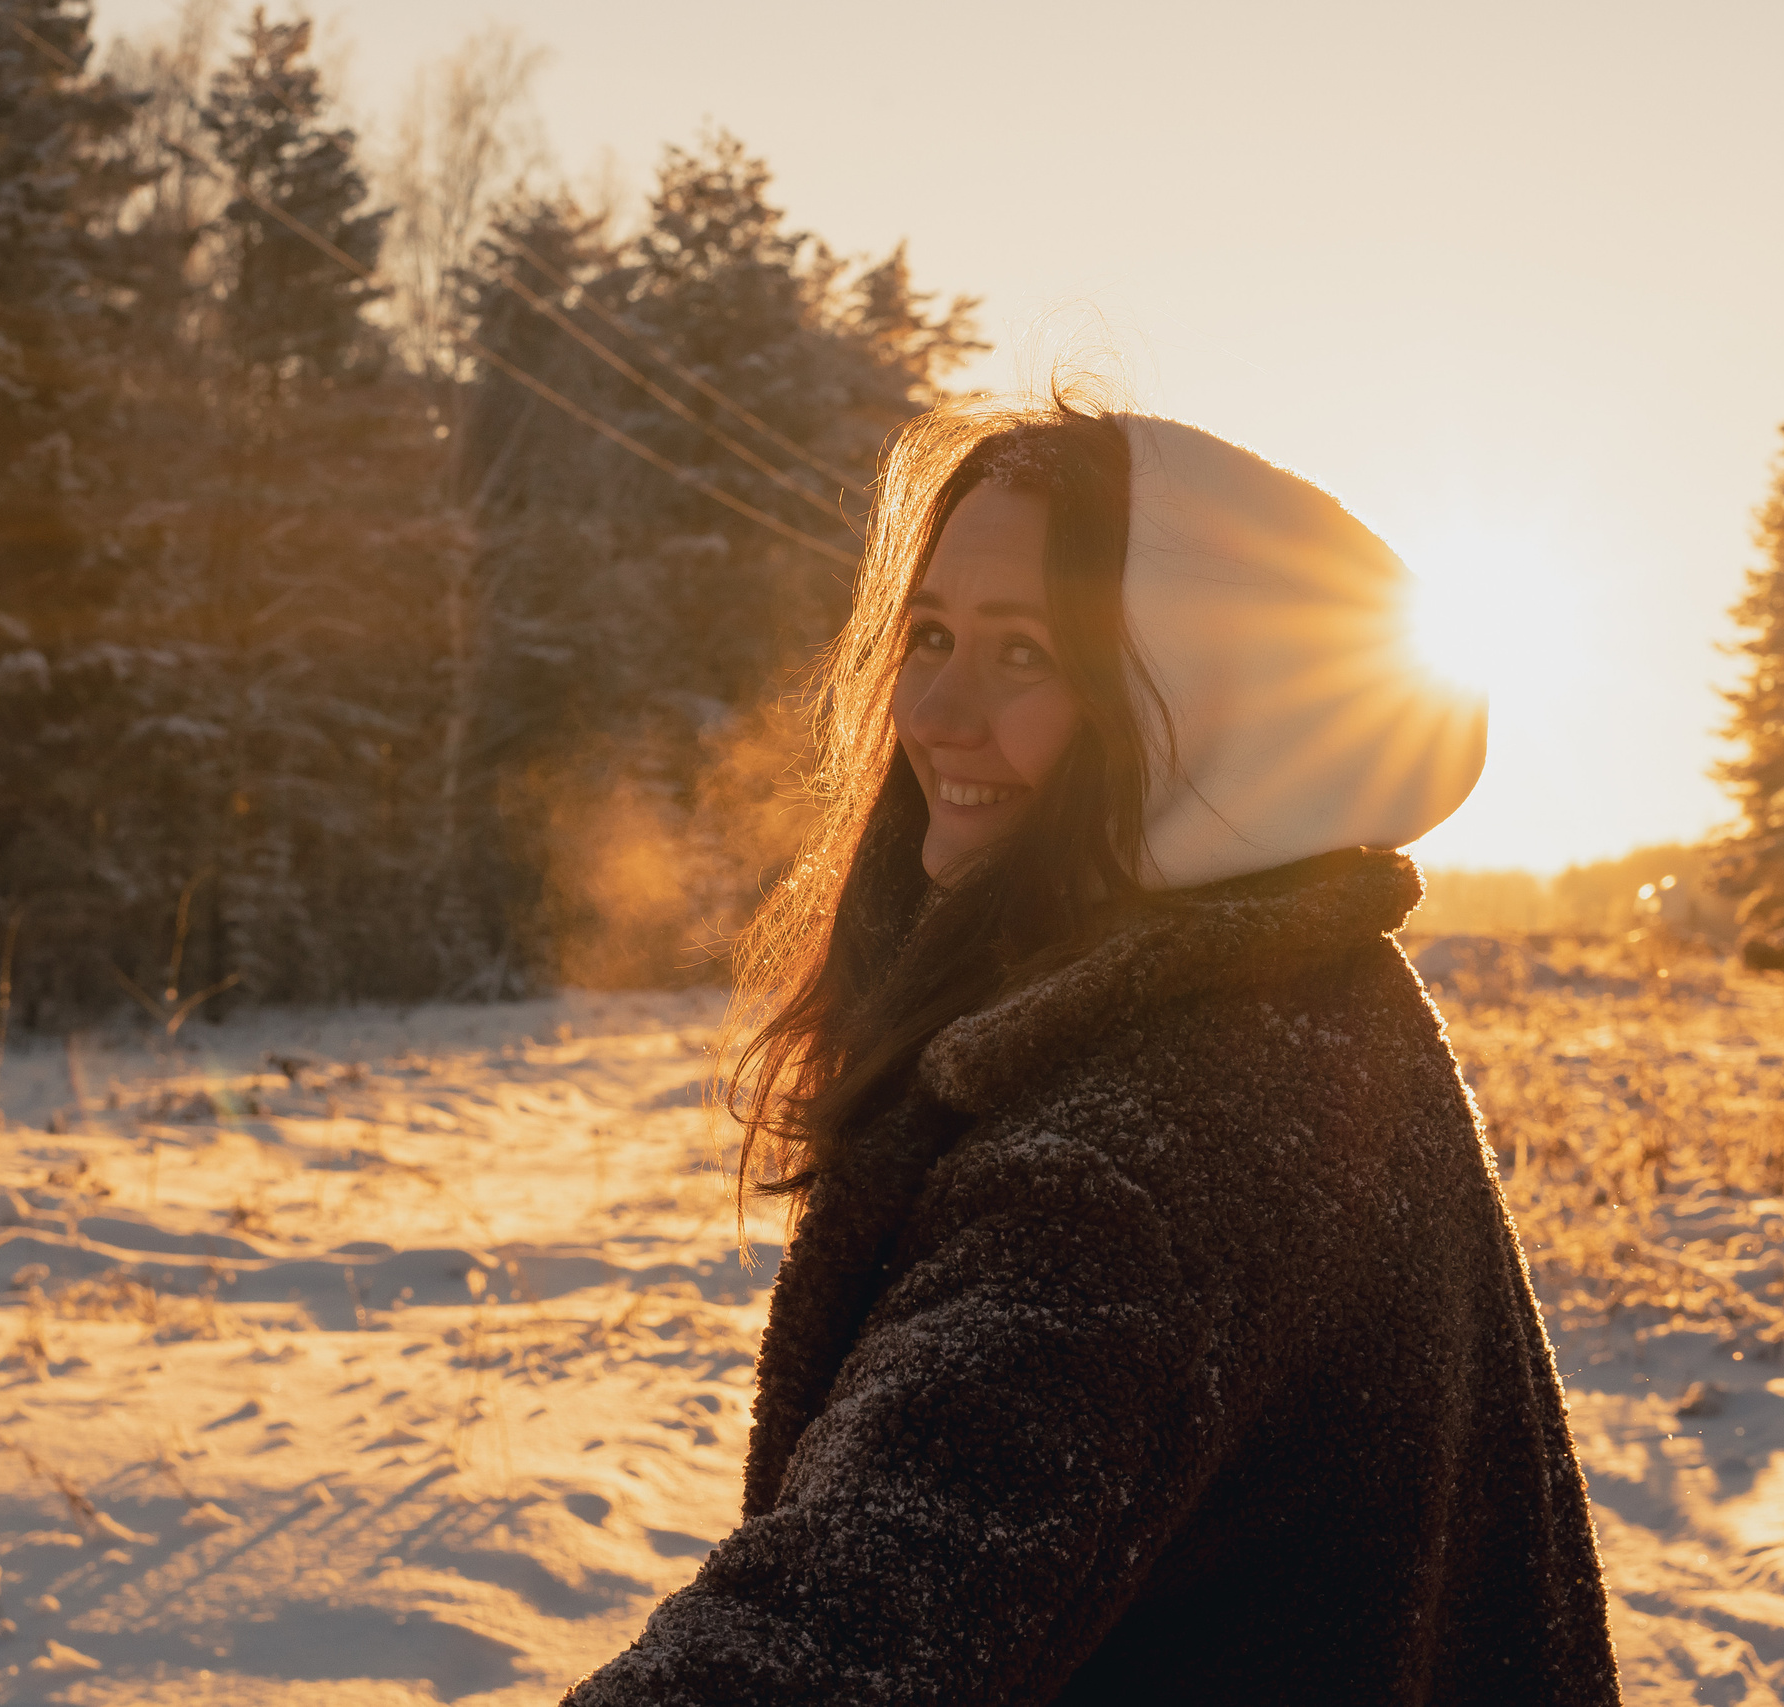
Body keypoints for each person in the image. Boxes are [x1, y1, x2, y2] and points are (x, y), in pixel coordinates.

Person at [561, 396, 1620, 1705]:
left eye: (1029, 655)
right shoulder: (1298, 993)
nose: (938, 709)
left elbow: (840, 1629)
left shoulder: (1136, 1147)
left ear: (1190, 701)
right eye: (932, 635)